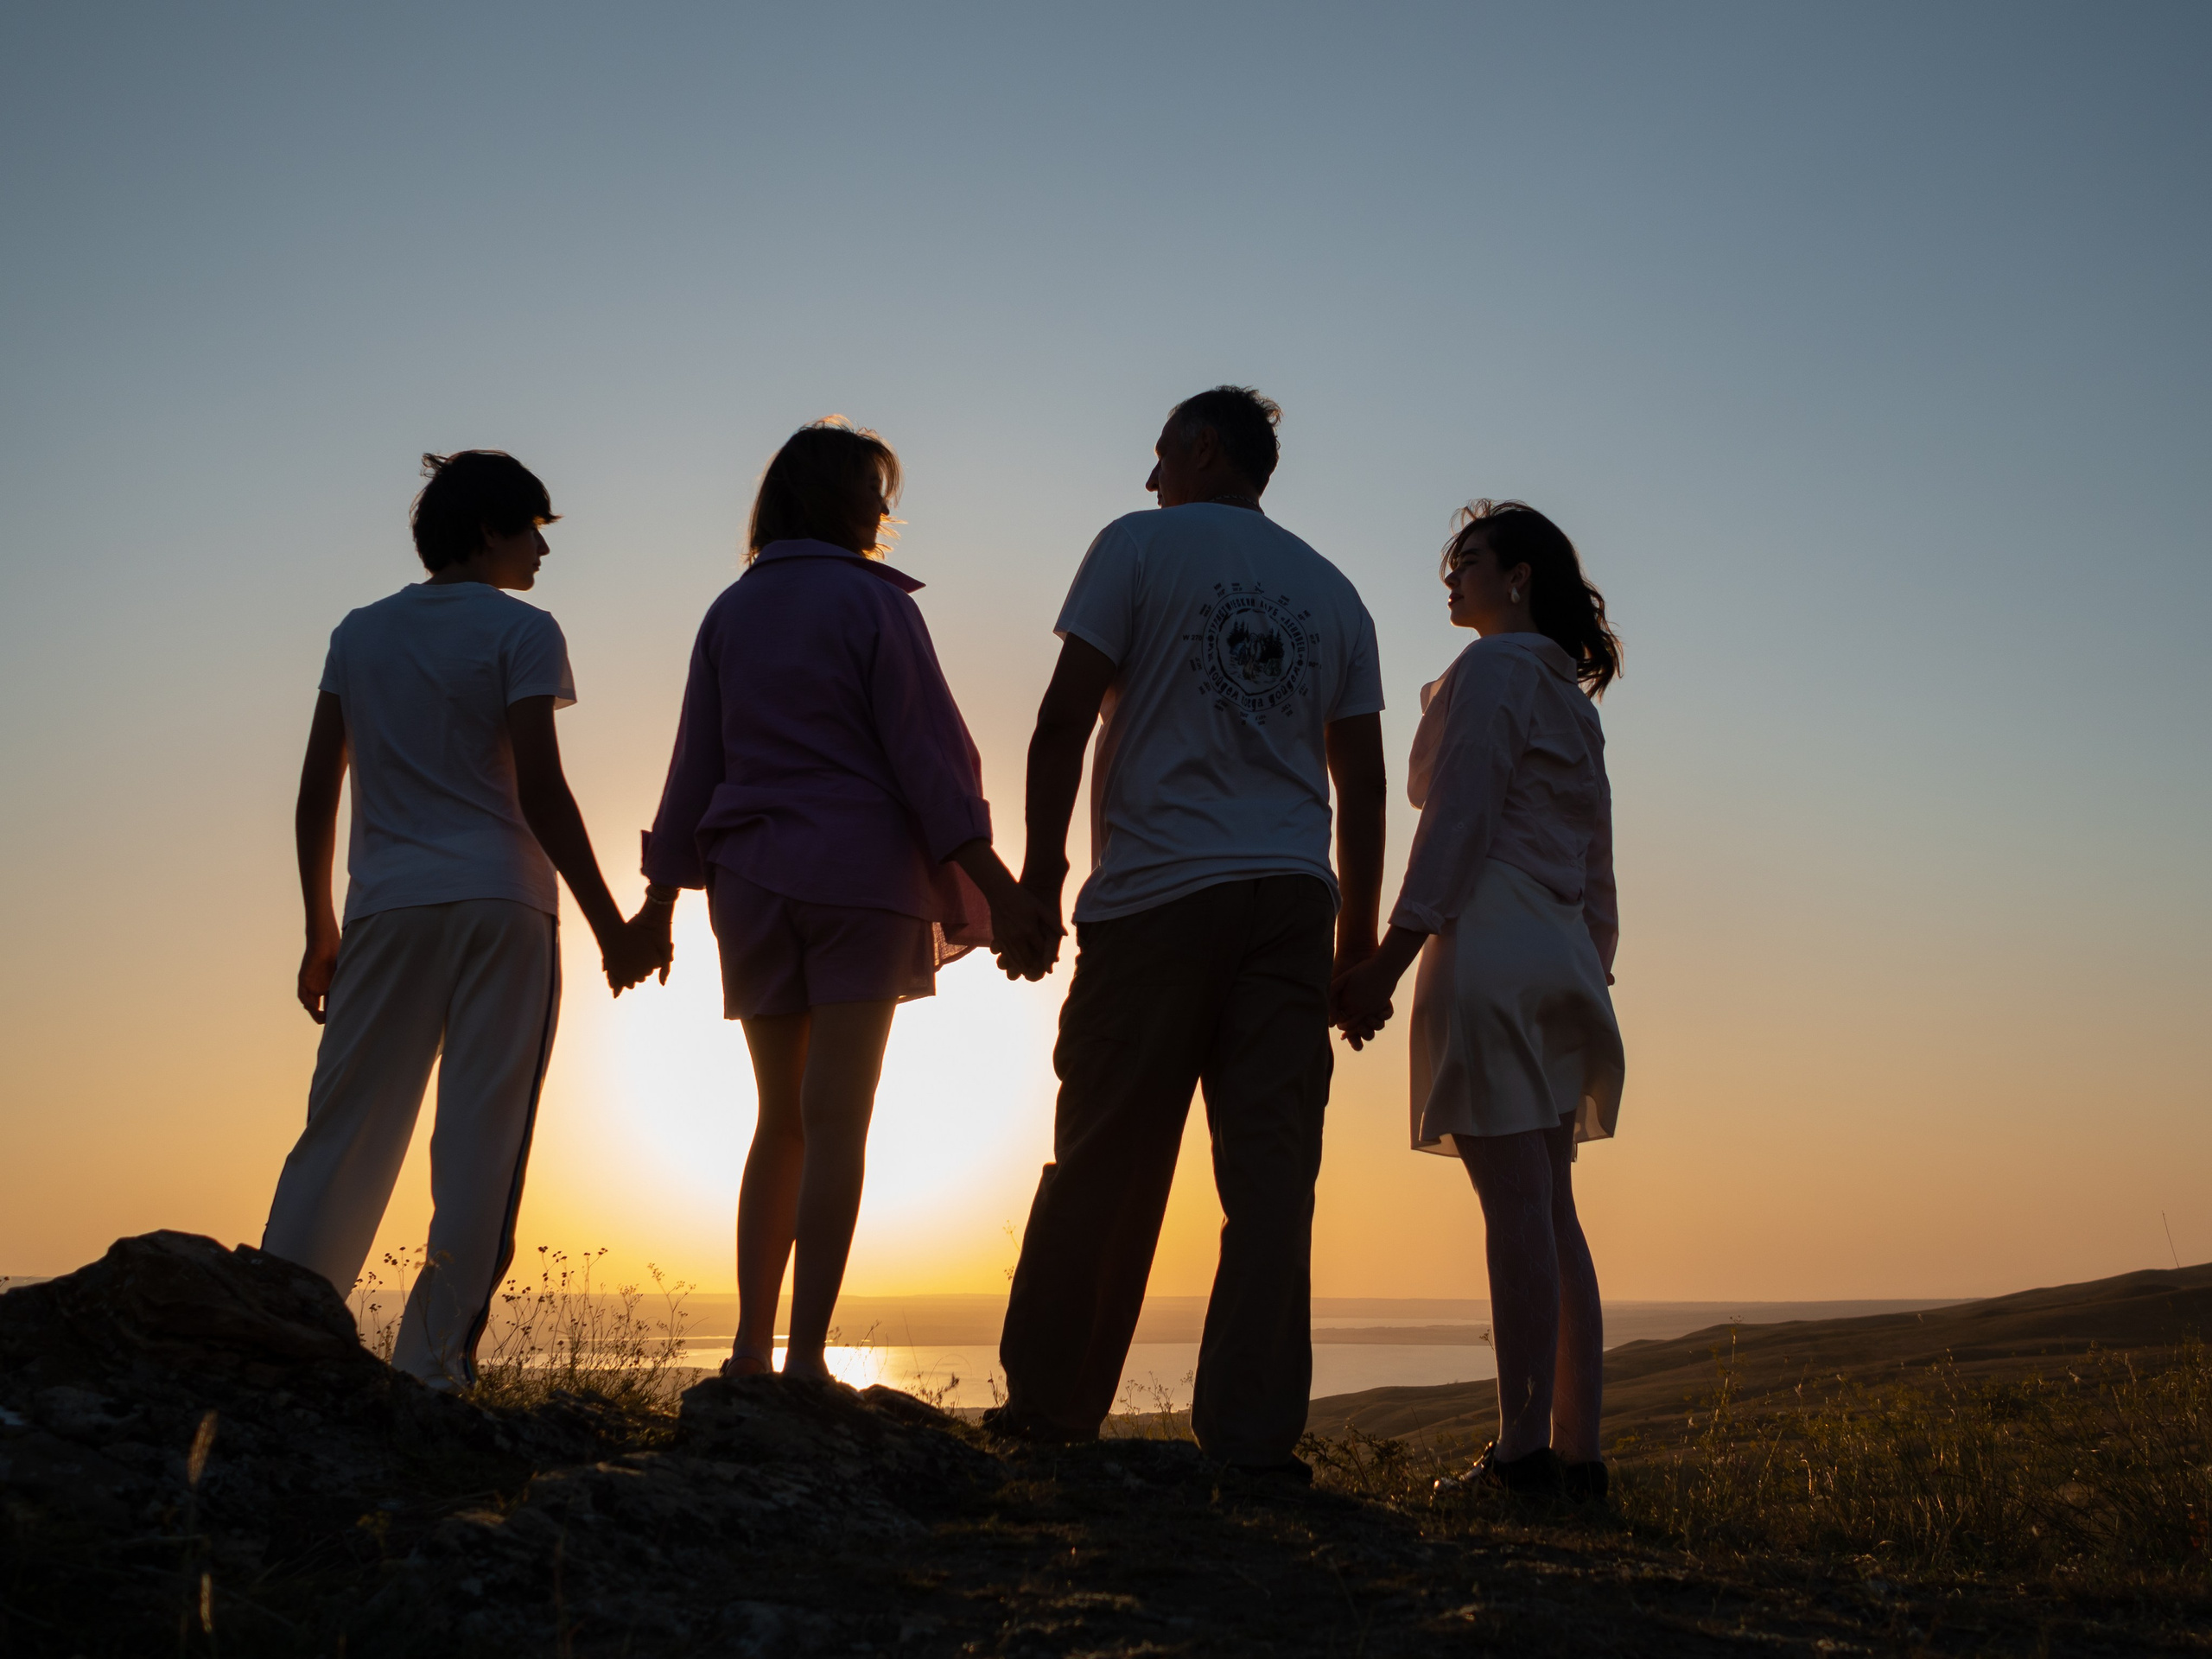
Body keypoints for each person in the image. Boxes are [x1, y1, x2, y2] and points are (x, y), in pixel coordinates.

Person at [988, 386, 1389, 1476]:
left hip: (1157, 895)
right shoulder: (1334, 591)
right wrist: (1353, 946)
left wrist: (1040, 878)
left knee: (1107, 1156)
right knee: (1271, 1178)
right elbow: (1360, 784)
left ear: (1204, 449)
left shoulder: (1137, 545)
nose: (1148, 475)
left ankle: (1050, 1410)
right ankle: (1252, 1442)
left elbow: (1062, 719)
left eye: (1160, 452)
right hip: (1291, 903)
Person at [635, 418, 1057, 1383]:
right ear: (830, 497)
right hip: (861, 878)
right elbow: (931, 762)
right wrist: (1003, 893)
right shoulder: (876, 605)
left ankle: (750, 1347)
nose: (882, 508)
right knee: (837, 1120)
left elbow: (693, 767)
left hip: (750, 882)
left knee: (777, 1119)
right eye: (872, 489)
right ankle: (808, 1361)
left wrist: (658, 906)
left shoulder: (730, 612)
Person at [264, 450, 666, 1389]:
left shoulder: (359, 633)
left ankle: (274, 1341)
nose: (542, 552)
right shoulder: (523, 630)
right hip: (501, 904)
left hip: (385, 909)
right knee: (484, 1141)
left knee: (343, 1130)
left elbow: (318, 790)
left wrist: (320, 927)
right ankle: (432, 1374)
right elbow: (542, 789)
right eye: (533, 531)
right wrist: (611, 927)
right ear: (489, 531)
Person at [1332, 499, 1624, 1502]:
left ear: (1519, 577)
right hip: (1558, 949)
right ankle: (1575, 1458)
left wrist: (1388, 958)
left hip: (1492, 941)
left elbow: (1455, 820)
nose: (1450, 580)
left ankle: (1519, 1457)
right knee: (1553, 1210)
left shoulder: (1494, 672)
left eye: (1468, 562)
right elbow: (1597, 859)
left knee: (1516, 1212)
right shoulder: (1570, 702)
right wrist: (1589, 964)